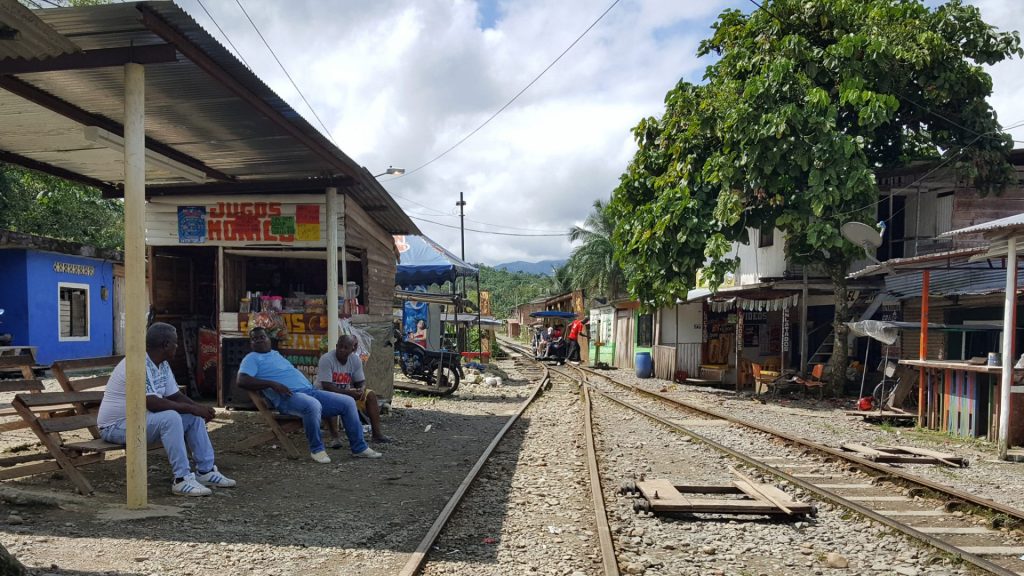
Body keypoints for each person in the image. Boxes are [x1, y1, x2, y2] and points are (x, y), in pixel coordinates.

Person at [96, 322, 236, 497]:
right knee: (171, 417)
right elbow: (152, 403)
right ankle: (181, 479)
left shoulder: (161, 364)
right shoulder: (137, 364)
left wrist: (198, 408)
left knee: (192, 417)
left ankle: (205, 472)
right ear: (165, 345)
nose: (177, 346)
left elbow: (174, 395)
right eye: (175, 343)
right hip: (115, 427)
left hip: (141, 422)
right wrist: (191, 408)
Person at [237, 327, 382, 463]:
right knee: (313, 405)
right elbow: (241, 380)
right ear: (251, 344)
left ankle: (359, 448)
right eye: (255, 339)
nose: (260, 340)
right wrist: (272, 384)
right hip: (288, 397)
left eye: (262, 337)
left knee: (348, 402)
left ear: (269, 339)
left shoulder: (274, 354)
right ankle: (317, 449)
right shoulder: (252, 358)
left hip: (310, 391)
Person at [316, 335, 390, 446]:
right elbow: (327, 386)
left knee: (370, 395)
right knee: (331, 397)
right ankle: (335, 437)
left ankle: (377, 434)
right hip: (323, 393)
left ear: (352, 349)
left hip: (345, 392)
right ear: (336, 346)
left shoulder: (355, 360)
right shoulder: (326, 359)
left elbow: (360, 381)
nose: (342, 350)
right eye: (340, 347)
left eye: (346, 347)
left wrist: (361, 389)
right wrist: (348, 393)